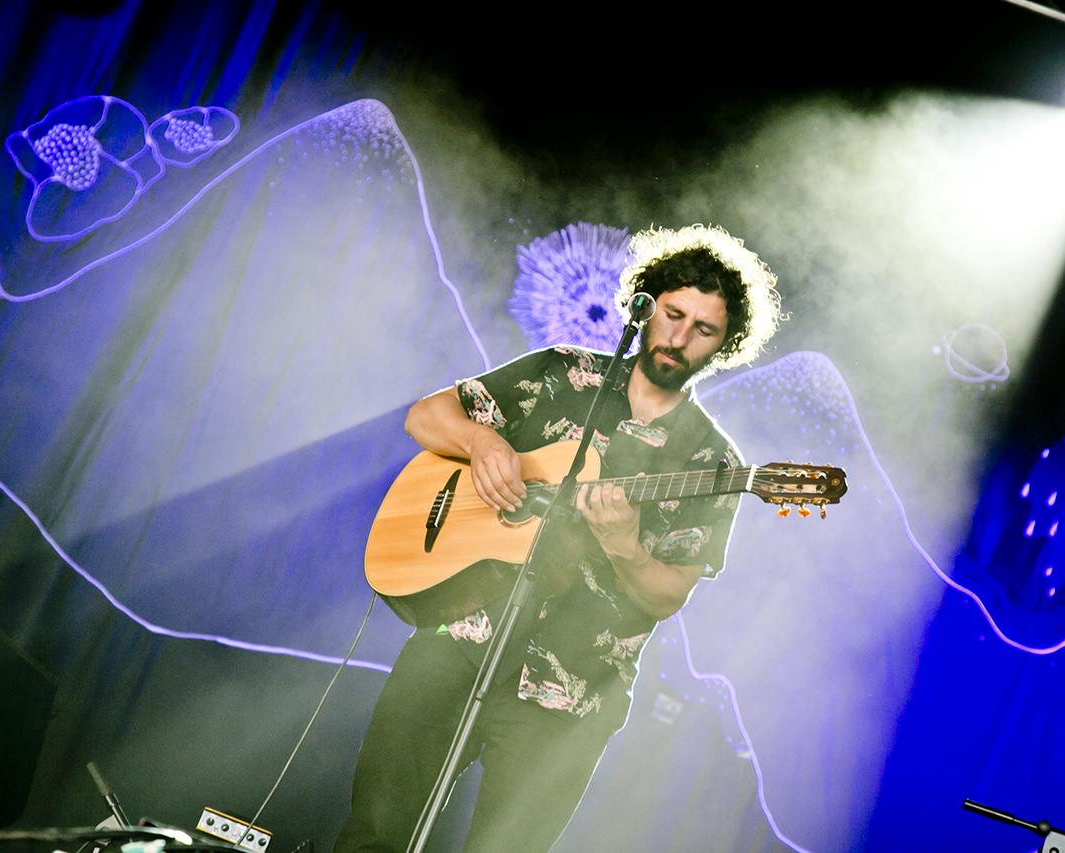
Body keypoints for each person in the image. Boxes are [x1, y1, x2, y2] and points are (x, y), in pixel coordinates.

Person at [334, 224, 782, 853]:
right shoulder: (566, 372)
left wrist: (625, 544)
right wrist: (485, 441)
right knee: (371, 840)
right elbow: (426, 416)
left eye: (703, 329)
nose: (679, 338)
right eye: (673, 314)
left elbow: (667, 594)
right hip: (459, 641)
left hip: (570, 696)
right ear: (646, 306)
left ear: (723, 344)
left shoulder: (712, 461)